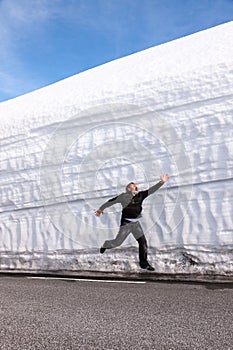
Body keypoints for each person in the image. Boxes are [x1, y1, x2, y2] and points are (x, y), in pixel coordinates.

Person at [95, 174, 169, 271]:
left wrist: (161, 182)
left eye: (135, 186)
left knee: (143, 243)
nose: (134, 187)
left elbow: (151, 190)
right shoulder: (123, 197)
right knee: (117, 243)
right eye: (132, 186)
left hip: (135, 224)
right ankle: (106, 244)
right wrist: (101, 209)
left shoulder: (140, 195)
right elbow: (110, 202)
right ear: (128, 189)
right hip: (126, 224)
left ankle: (144, 264)